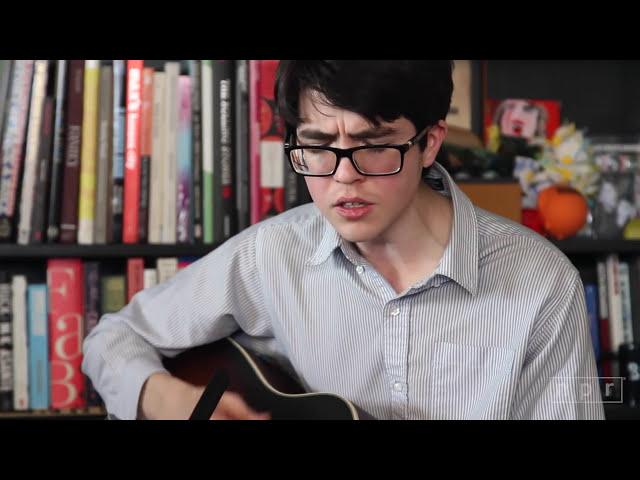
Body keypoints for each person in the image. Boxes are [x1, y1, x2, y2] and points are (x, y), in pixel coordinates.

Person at [82, 60, 605, 420]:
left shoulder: (540, 285)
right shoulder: (272, 256)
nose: (343, 177)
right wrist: (161, 397)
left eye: (373, 145)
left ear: (429, 143)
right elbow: (112, 338)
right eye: (317, 144)